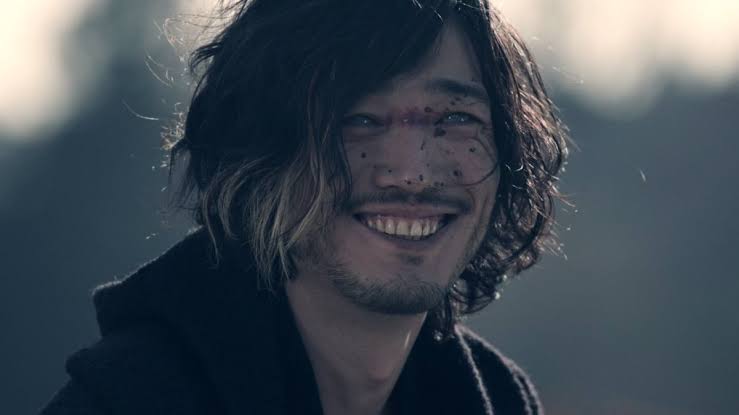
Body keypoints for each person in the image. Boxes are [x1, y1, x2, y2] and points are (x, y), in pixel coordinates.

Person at [41, 0, 568, 414]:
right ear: (260, 154)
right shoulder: (129, 401)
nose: (413, 172)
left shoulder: (497, 400)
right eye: (359, 119)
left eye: (455, 118)